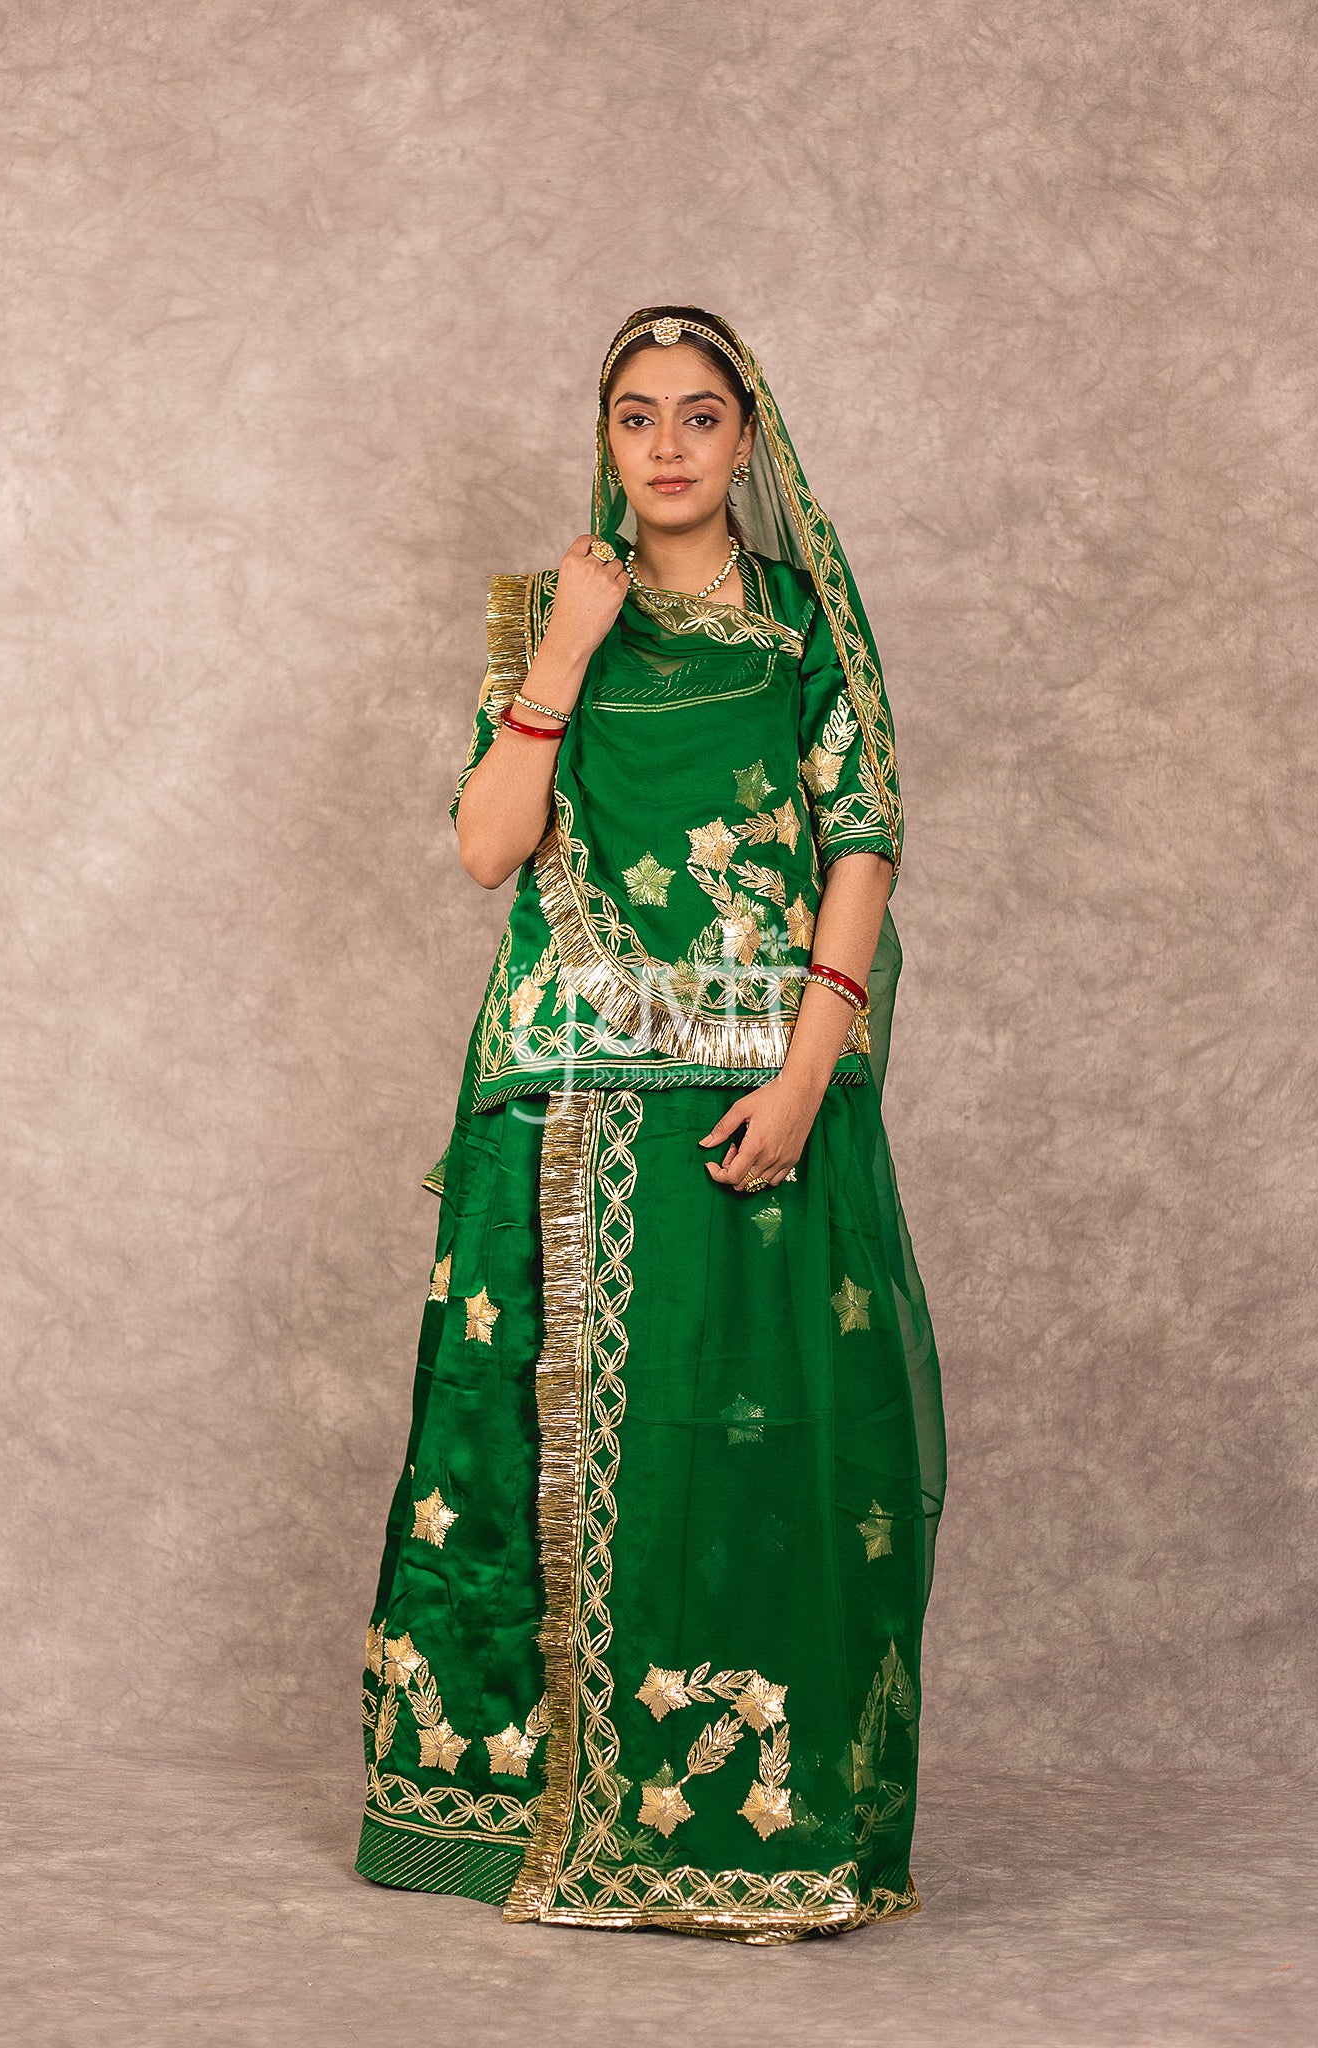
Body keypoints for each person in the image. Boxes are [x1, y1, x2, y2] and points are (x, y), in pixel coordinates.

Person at [355, 304, 947, 1943]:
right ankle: (519, 1811)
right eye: (636, 415)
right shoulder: (548, 617)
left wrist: (810, 1071)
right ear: (604, 437)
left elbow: (863, 836)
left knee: (748, 1448)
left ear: (746, 440)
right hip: (558, 1093)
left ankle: (743, 1832)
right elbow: (490, 846)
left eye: (698, 414)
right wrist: (563, 648)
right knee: (518, 1453)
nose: (668, 445)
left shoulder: (802, 628)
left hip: (755, 1090)